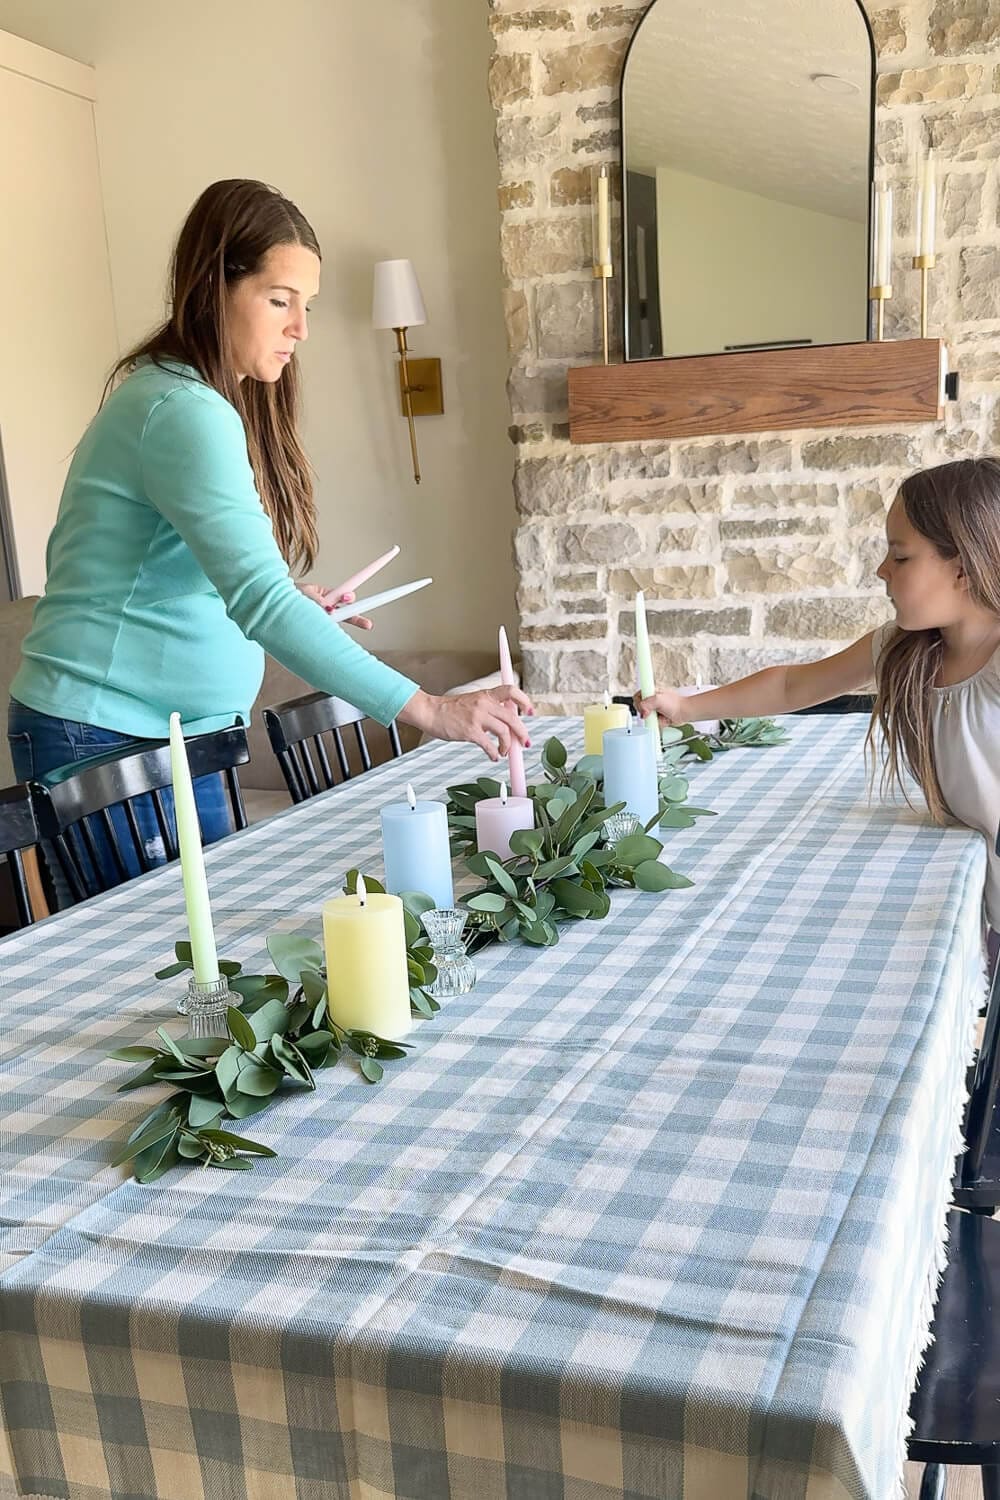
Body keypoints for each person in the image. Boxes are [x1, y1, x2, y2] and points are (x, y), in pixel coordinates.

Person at [8, 179, 531, 890]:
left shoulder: (185, 397)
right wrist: (429, 708)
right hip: (110, 734)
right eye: (281, 300)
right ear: (213, 287)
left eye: (306, 305)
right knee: (161, 951)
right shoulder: (181, 409)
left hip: (173, 735)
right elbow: (258, 600)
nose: (301, 329)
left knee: (195, 949)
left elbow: (195, 580)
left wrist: (290, 599)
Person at [638, 457, 1000, 962]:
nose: (881, 570)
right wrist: (685, 707)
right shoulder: (902, 649)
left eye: (900, 556)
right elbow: (793, 686)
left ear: (962, 567)